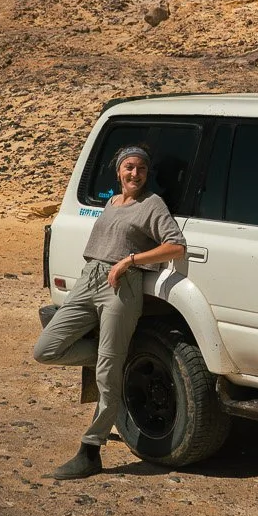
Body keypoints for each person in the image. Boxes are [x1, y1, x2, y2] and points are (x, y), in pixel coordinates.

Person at [30, 144, 186, 479]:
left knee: (106, 374)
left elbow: (175, 245)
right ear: (118, 171)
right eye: (129, 167)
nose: (135, 174)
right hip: (90, 280)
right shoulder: (111, 203)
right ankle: (112, 359)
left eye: (141, 169)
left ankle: (90, 449)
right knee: (46, 349)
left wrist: (130, 261)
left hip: (122, 285)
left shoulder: (152, 204)